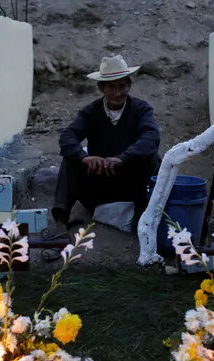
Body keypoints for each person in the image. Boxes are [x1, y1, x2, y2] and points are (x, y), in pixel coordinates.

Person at [51, 55, 161, 235]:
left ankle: (143, 217)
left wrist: (122, 158)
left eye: (122, 86)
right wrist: (85, 158)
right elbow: (67, 137)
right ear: (101, 88)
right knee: (70, 160)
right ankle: (61, 222)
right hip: (98, 187)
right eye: (112, 87)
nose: (118, 93)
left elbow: (151, 137)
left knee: (152, 158)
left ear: (129, 85)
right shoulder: (91, 112)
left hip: (131, 186)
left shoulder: (141, 109)